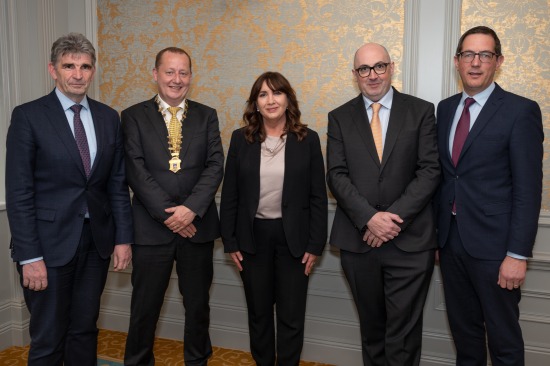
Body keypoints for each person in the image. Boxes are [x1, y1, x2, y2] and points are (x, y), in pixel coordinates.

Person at [5, 33, 133, 365]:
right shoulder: (28, 116)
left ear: (93, 71)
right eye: (69, 66)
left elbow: (116, 185)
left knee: (85, 330)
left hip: (96, 244)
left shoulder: (108, 117)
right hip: (47, 247)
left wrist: (122, 239)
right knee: (48, 337)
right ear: (53, 70)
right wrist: (29, 255)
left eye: (85, 66)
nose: (77, 74)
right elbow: (19, 193)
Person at [326, 43, 440, 366]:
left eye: (379, 67)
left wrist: (389, 220)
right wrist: (369, 219)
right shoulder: (339, 117)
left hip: (409, 242)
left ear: (392, 67)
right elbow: (336, 175)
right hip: (358, 242)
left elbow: (430, 171)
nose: (372, 75)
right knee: (372, 333)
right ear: (355, 75)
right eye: (364, 69)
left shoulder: (420, 111)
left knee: (403, 337)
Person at [436, 26, 543, 366]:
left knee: (504, 342)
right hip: (451, 246)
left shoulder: (519, 111)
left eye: (485, 55)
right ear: (457, 61)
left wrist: (517, 254)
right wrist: (438, 239)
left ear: (499, 61)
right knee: (465, 338)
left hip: (498, 251)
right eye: (468, 54)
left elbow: (528, 189)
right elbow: (445, 176)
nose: (476, 63)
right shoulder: (445, 109)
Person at [122, 46, 224, 366]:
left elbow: (215, 166)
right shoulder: (133, 116)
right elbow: (135, 170)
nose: (176, 79)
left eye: (183, 73)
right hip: (151, 230)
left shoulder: (207, 115)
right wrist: (171, 215)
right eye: (169, 72)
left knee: (197, 307)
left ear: (191, 77)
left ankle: (197, 361)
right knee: (144, 308)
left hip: (198, 227)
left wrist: (190, 210)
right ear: (155, 74)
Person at [220, 71, 327, 365]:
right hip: (252, 238)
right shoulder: (241, 140)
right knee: (259, 314)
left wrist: (315, 245)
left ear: (287, 99)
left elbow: (318, 196)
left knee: (292, 317)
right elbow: (230, 195)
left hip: (294, 239)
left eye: (277, 93)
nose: (270, 100)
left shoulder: (308, 139)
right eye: (263, 94)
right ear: (255, 103)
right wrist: (230, 241)